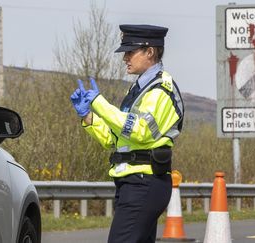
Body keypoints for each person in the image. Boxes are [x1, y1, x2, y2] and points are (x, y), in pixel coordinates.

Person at [70, 24, 184, 243]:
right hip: (132, 183)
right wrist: (88, 117)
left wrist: (99, 103)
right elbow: (115, 139)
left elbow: (139, 131)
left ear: (150, 51)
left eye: (130, 52)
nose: (125, 58)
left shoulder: (161, 90)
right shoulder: (138, 90)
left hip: (145, 182)